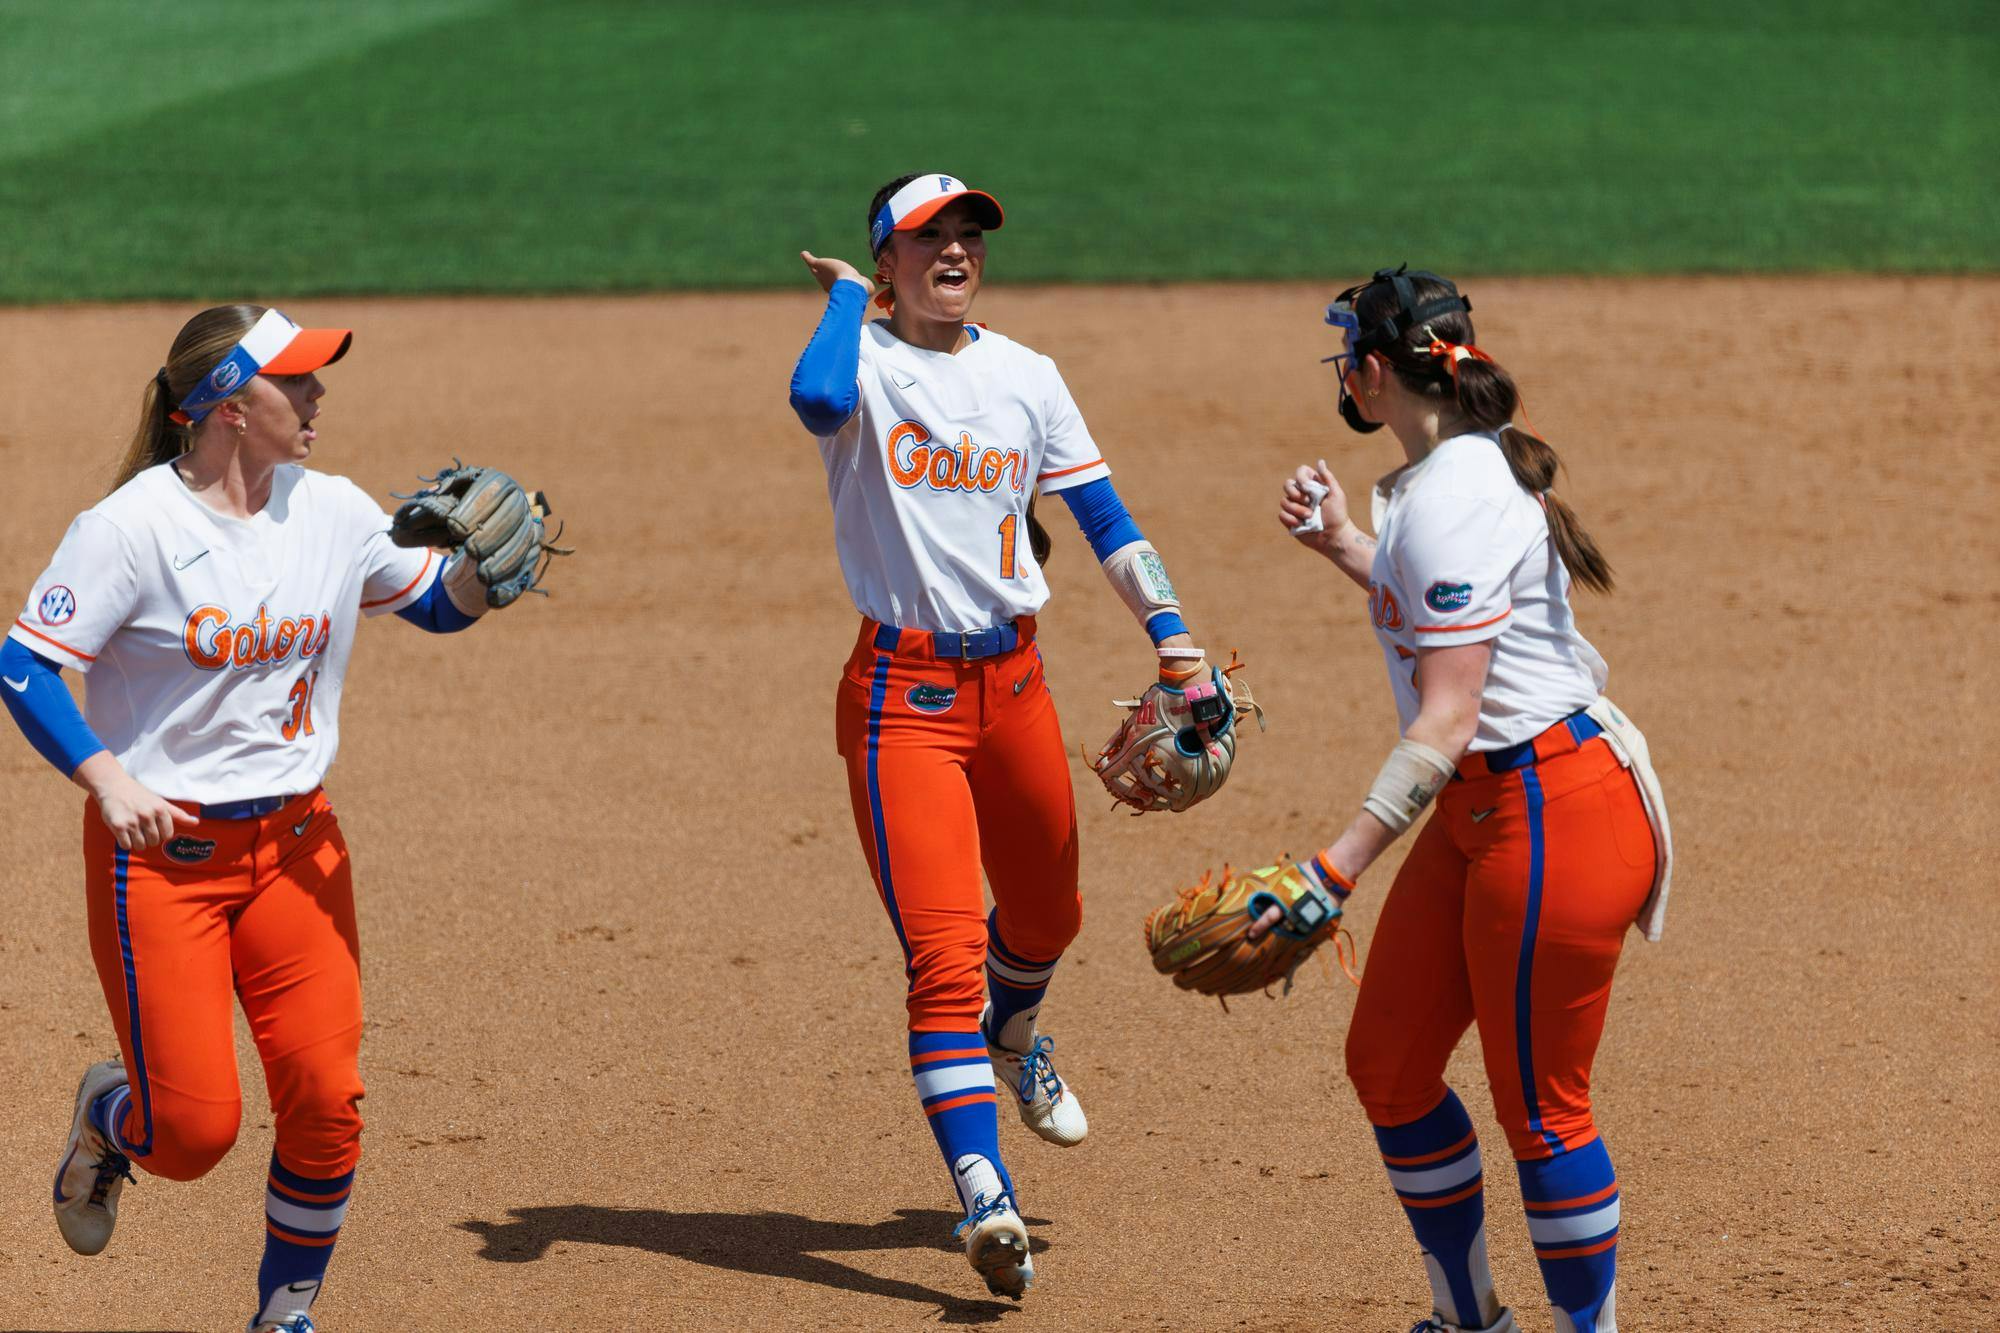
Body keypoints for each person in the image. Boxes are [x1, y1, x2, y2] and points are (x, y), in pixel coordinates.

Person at [1, 304, 540, 1333]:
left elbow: (433, 599)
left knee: (329, 1109)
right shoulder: (131, 530)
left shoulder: (330, 511)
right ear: (223, 409)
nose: (317, 395)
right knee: (193, 1132)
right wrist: (109, 779)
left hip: (299, 852)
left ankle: (282, 1318)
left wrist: (481, 578)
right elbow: (24, 662)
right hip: (163, 864)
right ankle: (110, 1116)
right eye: (294, 380)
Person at [788, 173, 1231, 1299]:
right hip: (900, 711)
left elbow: (1103, 521)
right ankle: (984, 1195)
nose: (955, 249)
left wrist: (1175, 642)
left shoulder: (1025, 376)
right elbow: (812, 399)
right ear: (886, 258)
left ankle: (1013, 1028)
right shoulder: (865, 366)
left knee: (1047, 913)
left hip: (1016, 689)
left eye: (968, 233)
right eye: (928, 236)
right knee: (940, 957)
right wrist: (845, 304)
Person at [1271, 267, 1671, 1333]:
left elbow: (1444, 719)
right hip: (1488, 816)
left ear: (1367, 373)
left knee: (1541, 1113)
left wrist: (1331, 868)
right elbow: (1449, 618)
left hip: (1554, 814)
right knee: (1388, 1067)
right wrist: (1344, 546)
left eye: (1340, 359)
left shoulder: (1453, 492)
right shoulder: (1440, 475)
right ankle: (1467, 1320)